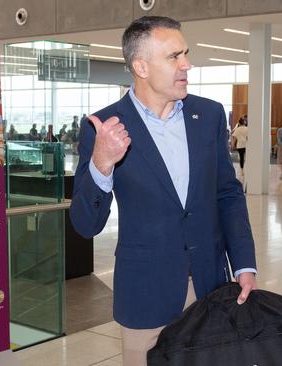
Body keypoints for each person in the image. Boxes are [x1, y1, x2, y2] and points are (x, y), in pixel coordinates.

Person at [69, 16, 257, 366]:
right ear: (141, 66)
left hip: (209, 285)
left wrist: (244, 262)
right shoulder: (105, 126)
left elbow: (227, 194)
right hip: (146, 291)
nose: (187, 64)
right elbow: (84, 223)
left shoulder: (209, 115)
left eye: (185, 53)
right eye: (174, 57)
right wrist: (102, 164)